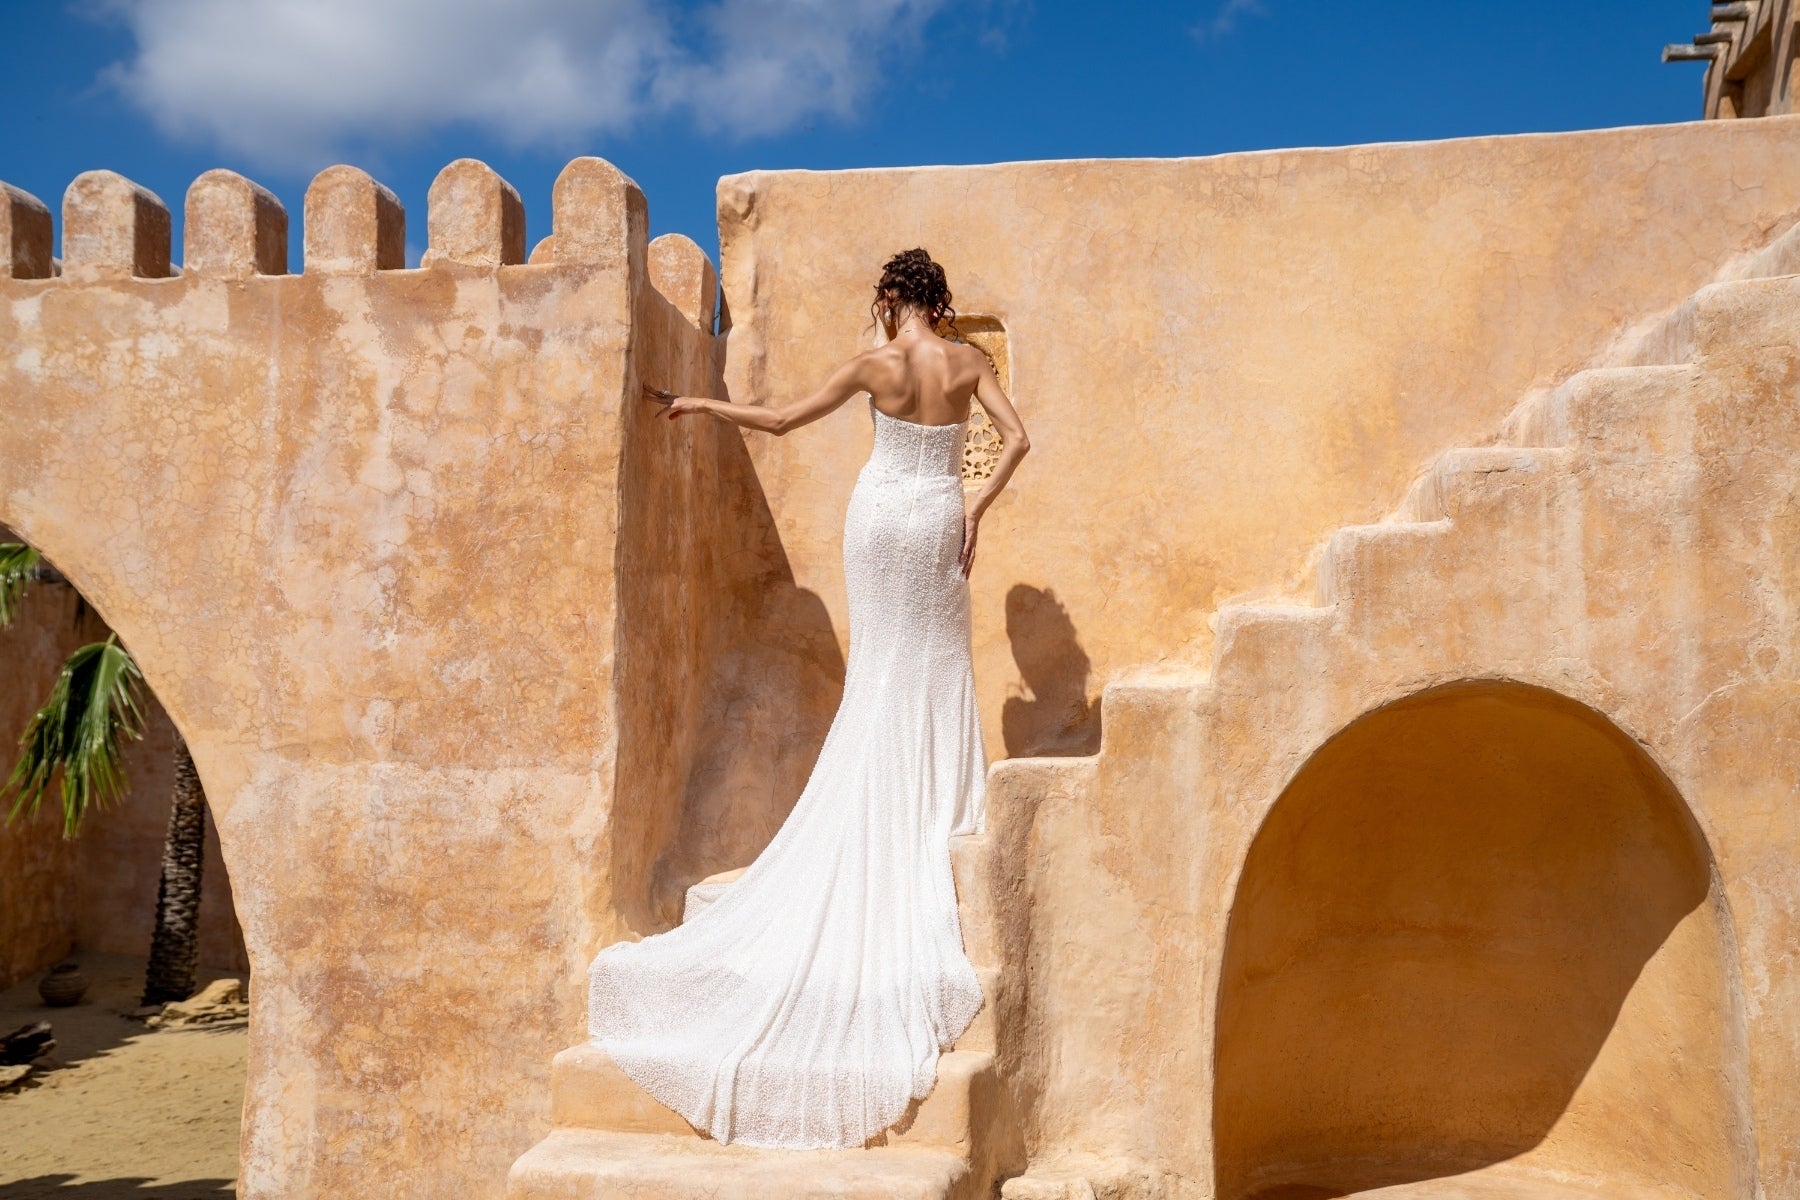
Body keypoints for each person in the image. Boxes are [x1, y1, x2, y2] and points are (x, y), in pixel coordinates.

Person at [587, 248, 1030, 1149]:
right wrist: (974, 508)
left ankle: (881, 815)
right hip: (938, 517)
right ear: (939, 300)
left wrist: (703, 404)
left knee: (881, 668)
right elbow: (1018, 440)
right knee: (934, 661)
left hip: (881, 520)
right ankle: (936, 818)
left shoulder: (876, 365)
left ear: (890, 298)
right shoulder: (968, 362)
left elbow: (785, 419)